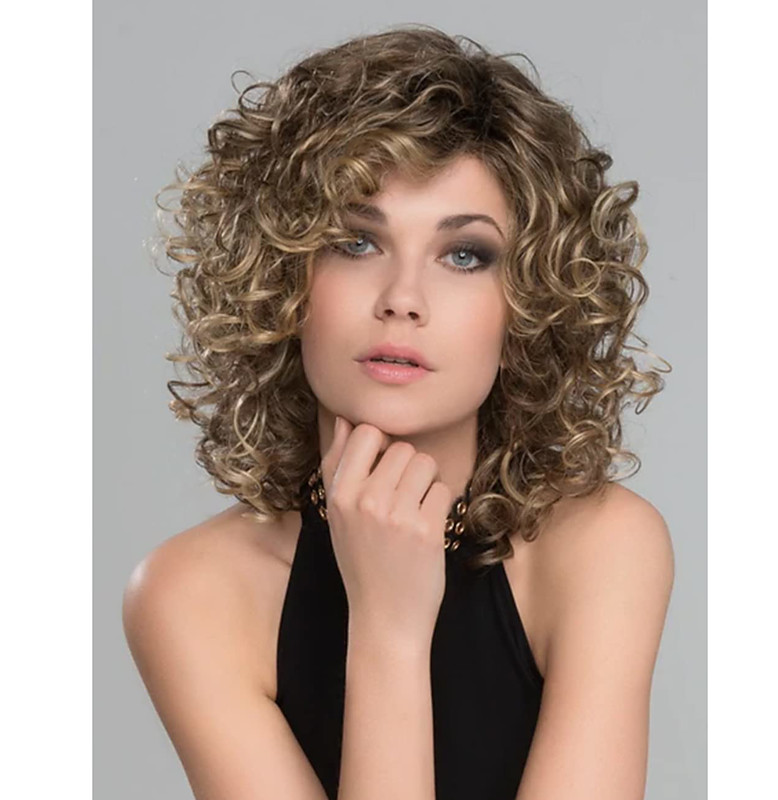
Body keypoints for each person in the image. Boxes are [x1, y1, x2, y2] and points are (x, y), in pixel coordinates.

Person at [122, 24, 675, 800]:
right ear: (283, 278)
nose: (403, 299)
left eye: (465, 255)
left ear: (529, 304)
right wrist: (388, 628)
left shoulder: (601, 546)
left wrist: (396, 620)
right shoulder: (191, 593)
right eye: (356, 242)